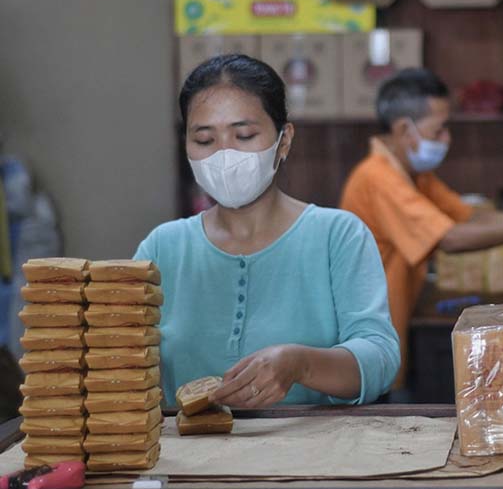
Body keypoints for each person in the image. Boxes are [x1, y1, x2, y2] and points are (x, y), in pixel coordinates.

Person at [134, 54, 399, 407]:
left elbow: (379, 357)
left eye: (243, 135)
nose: (224, 155)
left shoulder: (337, 236)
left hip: (313, 456)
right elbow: (121, 352)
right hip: (186, 459)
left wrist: (300, 364)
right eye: (204, 140)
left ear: (284, 139)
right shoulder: (162, 248)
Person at [340, 68, 503, 389]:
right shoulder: (378, 178)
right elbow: (449, 238)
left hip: (396, 315)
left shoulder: (414, 175)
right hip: (367, 333)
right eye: (438, 130)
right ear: (403, 129)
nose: (447, 138)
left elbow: (469, 218)